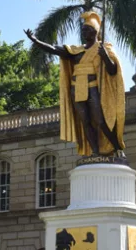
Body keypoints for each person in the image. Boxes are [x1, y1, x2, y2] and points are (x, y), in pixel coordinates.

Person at [25, 11, 126, 157]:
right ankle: (95, 152)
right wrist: (35, 41)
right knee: (85, 122)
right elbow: (54, 49)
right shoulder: (76, 51)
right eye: (83, 30)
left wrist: (105, 57)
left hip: (92, 88)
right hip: (76, 88)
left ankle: (117, 148)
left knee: (100, 120)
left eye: (87, 30)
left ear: (95, 31)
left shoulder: (104, 49)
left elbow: (112, 71)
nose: (84, 33)